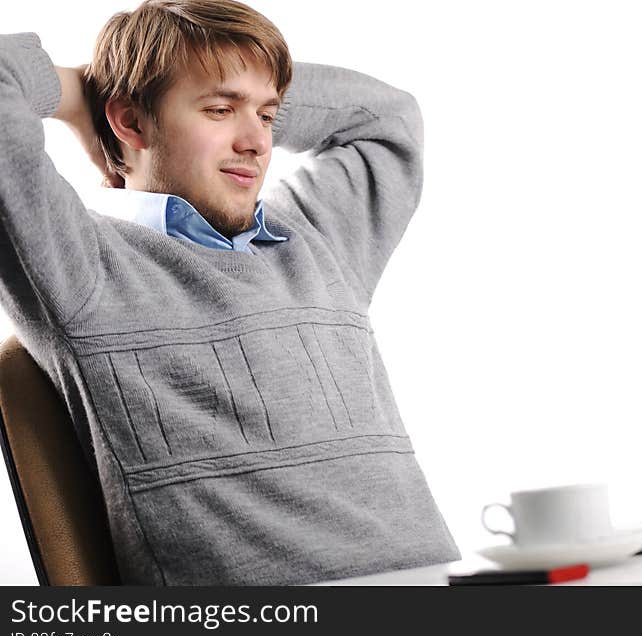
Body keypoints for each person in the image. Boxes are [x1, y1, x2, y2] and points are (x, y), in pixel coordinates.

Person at [0, 0, 460, 585]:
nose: (257, 143)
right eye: (219, 109)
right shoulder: (82, 266)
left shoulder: (318, 239)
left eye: (268, 117)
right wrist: (80, 93)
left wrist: (245, 89)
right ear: (131, 122)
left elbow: (388, 117)